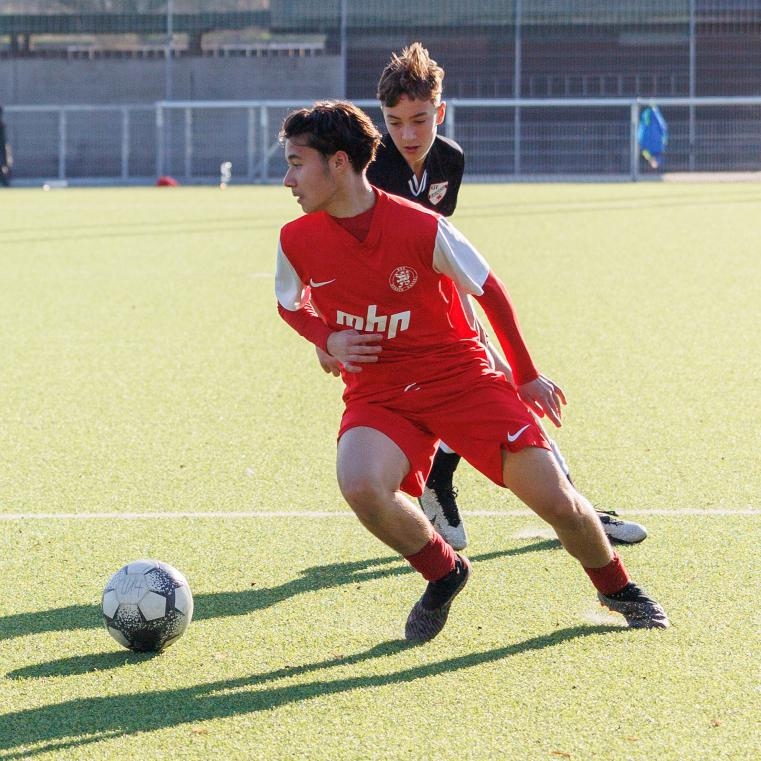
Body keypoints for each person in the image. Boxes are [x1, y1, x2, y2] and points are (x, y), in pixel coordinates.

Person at [274, 100, 669, 641]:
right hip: (380, 393)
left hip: (463, 382)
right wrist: (327, 337)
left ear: (338, 162)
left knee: (559, 503)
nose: (288, 180)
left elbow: (490, 291)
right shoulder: (295, 239)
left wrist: (525, 375)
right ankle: (444, 572)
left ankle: (618, 589)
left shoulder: (421, 227)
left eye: (296, 164)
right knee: (362, 485)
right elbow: (289, 304)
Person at [312, 43, 647, 551]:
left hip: (439, 308)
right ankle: (454, 488)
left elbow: (440, 250)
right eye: (394, 122)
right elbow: (322, 252)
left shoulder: (450, 160)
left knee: (506, 390)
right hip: (389, 329)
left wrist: (470, 320)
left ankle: (567, 505)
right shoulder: (366, 171)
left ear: (440, 112)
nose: (408, 135)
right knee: (481, 396)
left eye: (420, 120)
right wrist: (324, 335)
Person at [0, 106, 11, 187]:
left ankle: (5, 182)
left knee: (4, 165)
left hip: (2, 147)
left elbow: (3, 143)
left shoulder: (2, 126)